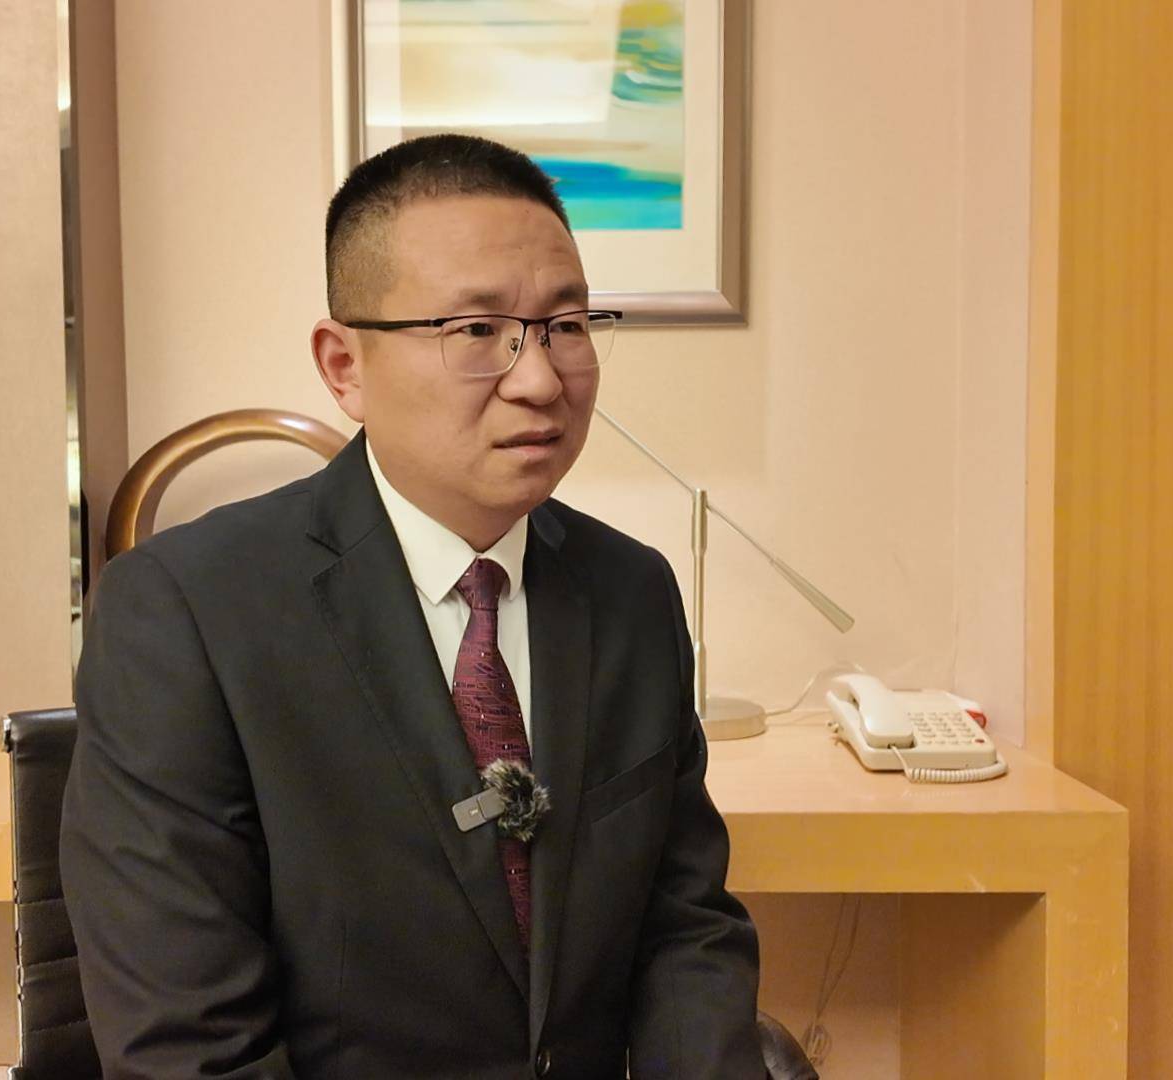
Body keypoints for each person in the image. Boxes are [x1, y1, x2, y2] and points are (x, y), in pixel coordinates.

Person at [60, 133, 765, 1079]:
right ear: (343, 365)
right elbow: (186, 1044)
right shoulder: (185, 612)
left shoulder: (632, 590)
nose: (540, 379)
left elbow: (685, 929)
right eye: (476, 331)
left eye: (565, 325)